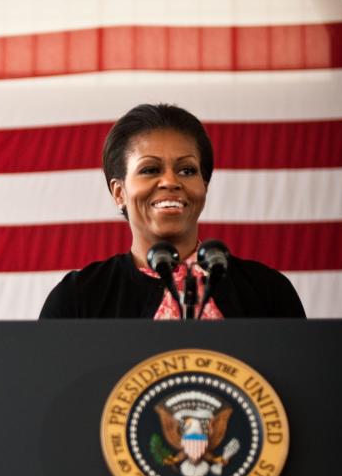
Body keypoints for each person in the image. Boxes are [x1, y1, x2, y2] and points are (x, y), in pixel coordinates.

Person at [40, 103, 306, 319]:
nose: (170, 181)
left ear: (204, 185)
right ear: (119, 192)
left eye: (187, 170)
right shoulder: (78, 299)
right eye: (150, 170)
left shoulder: (267, 292)